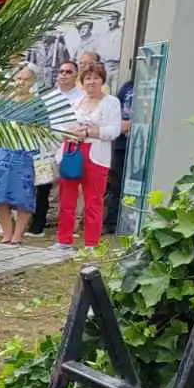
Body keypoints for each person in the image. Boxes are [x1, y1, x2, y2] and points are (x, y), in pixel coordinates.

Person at [56, 60, 122, 249]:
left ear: (102, 81)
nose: (91, 82)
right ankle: (64, 240)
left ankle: (91, 243)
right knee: (66, 198)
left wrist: (89, 132)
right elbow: (60, 126)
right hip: (72, 151)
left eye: (95, 78)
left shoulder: (111, 102)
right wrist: (72, 131)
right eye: (87, 78)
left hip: (96, 155)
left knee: (94, 200)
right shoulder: (75, 101)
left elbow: (113, 130)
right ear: (81, 81)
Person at [0, 67, 50, 244]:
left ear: (32, 82)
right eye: (18, 79)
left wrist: (27, 131)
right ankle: (7, 233)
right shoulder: (4, 101)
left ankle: (18, 235)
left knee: (24, 196)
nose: (20, 83)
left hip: (24, 155)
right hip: (3, 153)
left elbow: (45, 129)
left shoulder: (37, 104)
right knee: (0, 195)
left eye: (25, 79)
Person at [28, 61, 84, 235]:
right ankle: (38, 226)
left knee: (70, 186)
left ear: (76, 75)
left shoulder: (81, 97)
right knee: (43, 186)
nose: (64, 75)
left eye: (68, 72)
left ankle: (69, 227)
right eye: (61, 71)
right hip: (47, 145)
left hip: (70, 146)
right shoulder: (48, 97)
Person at [107, 71, 136, 234]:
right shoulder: (127, 87)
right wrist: (120, 123)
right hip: (121, 143)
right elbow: (114, 112)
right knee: (116, 184)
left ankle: (131, 223)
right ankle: (112, 222)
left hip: (142, 143)